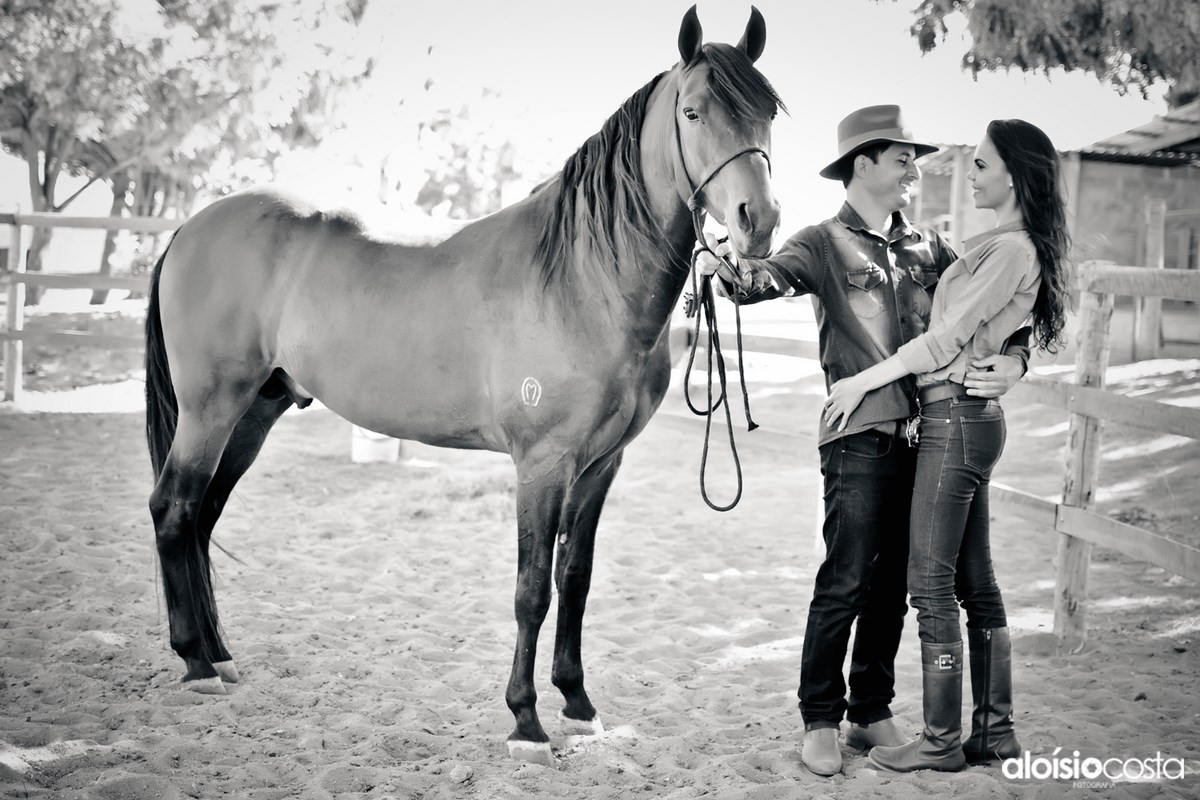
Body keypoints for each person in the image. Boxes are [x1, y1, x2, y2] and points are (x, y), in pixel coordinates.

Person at [695, 105, 1031, 777]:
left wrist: (1019, 359)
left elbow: (998, 307)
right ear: (863, 164)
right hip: (857, 439)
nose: (915, 164)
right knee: (846, 580)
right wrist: (723, 261)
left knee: (894, 588)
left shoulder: (933, 247)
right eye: (901, 154)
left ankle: (870, 712)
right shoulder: (821, 243)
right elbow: (764, 280)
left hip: (929, 438)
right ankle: (820, 717)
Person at [822, 118, 1071, 772]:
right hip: (965, 417)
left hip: (955, 419)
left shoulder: (1012, 250)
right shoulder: (995, 246)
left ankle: (939, 740)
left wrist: (861, 383)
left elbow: (943, 341)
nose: (974, 173)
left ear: (1014, 176)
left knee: (928, 583)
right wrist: (1015, 358)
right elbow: (994, 327)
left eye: (983, 165)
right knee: (975, 584)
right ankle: (993, 731)